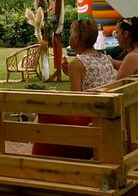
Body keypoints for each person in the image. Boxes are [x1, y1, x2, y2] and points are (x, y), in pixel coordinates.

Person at [32, 19, 116, 159]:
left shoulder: (77, 64)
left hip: (91, 122)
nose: (69, 36)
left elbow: (75, 103)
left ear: (76, 39)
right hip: (107, 116)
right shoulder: (105, 59)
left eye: (71, 33)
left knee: (44, 113)